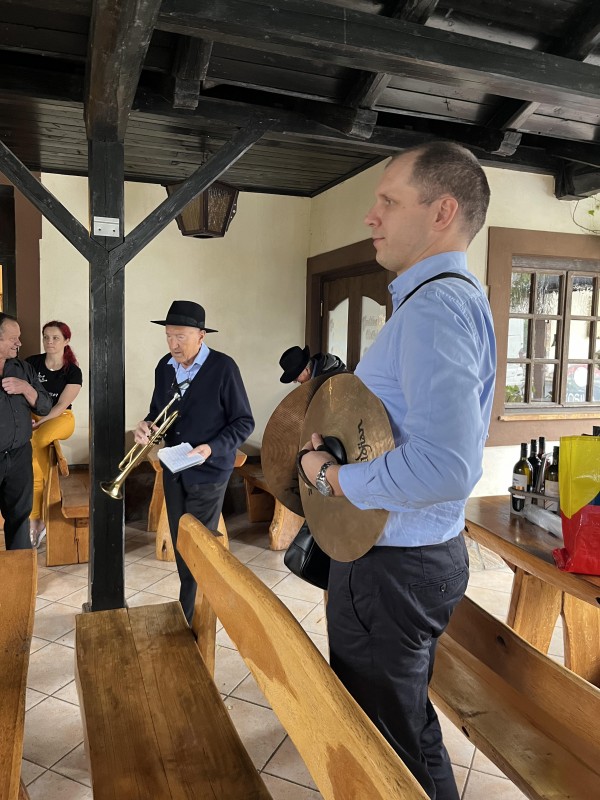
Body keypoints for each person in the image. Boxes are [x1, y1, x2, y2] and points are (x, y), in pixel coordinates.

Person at [298, 141, 496, 800]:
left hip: (395, 567)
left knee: (392, 746)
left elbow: (446, 466)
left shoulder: (436, 309)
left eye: (389, 200)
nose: (371, 216)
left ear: (442, 212)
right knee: (393, 728)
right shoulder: (442, 300)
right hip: (404, 561)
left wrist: (331, 479)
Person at [134, 300, 254, 624]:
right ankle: (194, 610)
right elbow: (158, 412)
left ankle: (191, 619)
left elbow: (244, 422)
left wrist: (210, 448)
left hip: (209, 471)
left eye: (181, 337)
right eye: (169, 336)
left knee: (198, 546)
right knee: (180, 542)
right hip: (175, 468)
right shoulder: (164, 367)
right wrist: (147, 425)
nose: (173, 344)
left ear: (201, 335)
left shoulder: (223, 368)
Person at [26, 320, 82, 547]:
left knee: (38, 439)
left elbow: (60, 406)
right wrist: (28, 418)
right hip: (34, 417)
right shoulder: (32, 363)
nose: (49, 342)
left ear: (66, 340)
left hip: (61, 418)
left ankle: (38, 518)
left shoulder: (73, 371)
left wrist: (40, 422)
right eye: (46, 337)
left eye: (56, 338)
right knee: (35, 464)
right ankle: (37, 520)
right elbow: (22, 395)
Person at [0, 312, 52, 550]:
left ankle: (20, 572)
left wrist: (26, 388)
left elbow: (44, 406)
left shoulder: (23, 369)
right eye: (13, 338)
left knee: (20, 518)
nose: (19, 343)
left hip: (20, 455)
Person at [279, 344, 346, 384]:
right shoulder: (315, 379)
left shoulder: (331, 378)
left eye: (296, 378)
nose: (295, 382)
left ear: (307, 370)